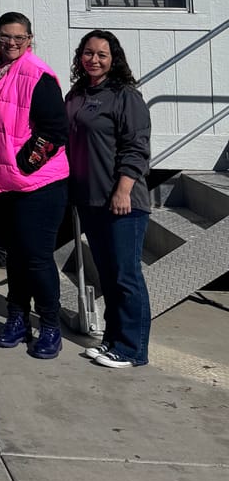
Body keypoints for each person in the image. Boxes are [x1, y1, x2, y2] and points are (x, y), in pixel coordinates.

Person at [0, 12, 70, 359]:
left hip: (38, 184)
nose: (12, 44)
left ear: (29, 40)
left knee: (35, 257)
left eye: (20, 38)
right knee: (14, 258)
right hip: (1, 184)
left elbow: (54, 131)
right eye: (6, 37)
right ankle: (16, 318)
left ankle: (50, 324)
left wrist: (23, 164)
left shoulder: (38, 75)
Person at [66, 30, 151, 369]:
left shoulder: (124, 95)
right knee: (108, 273)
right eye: (88, 53)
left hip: (122, 202)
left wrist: (123, 189)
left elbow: (136, 146)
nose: (94, 59)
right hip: (89, 200)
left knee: (125, 275)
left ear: (113, 59)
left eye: (102, 54)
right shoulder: (76, 95)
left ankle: (133, 349)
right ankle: (113, 341)